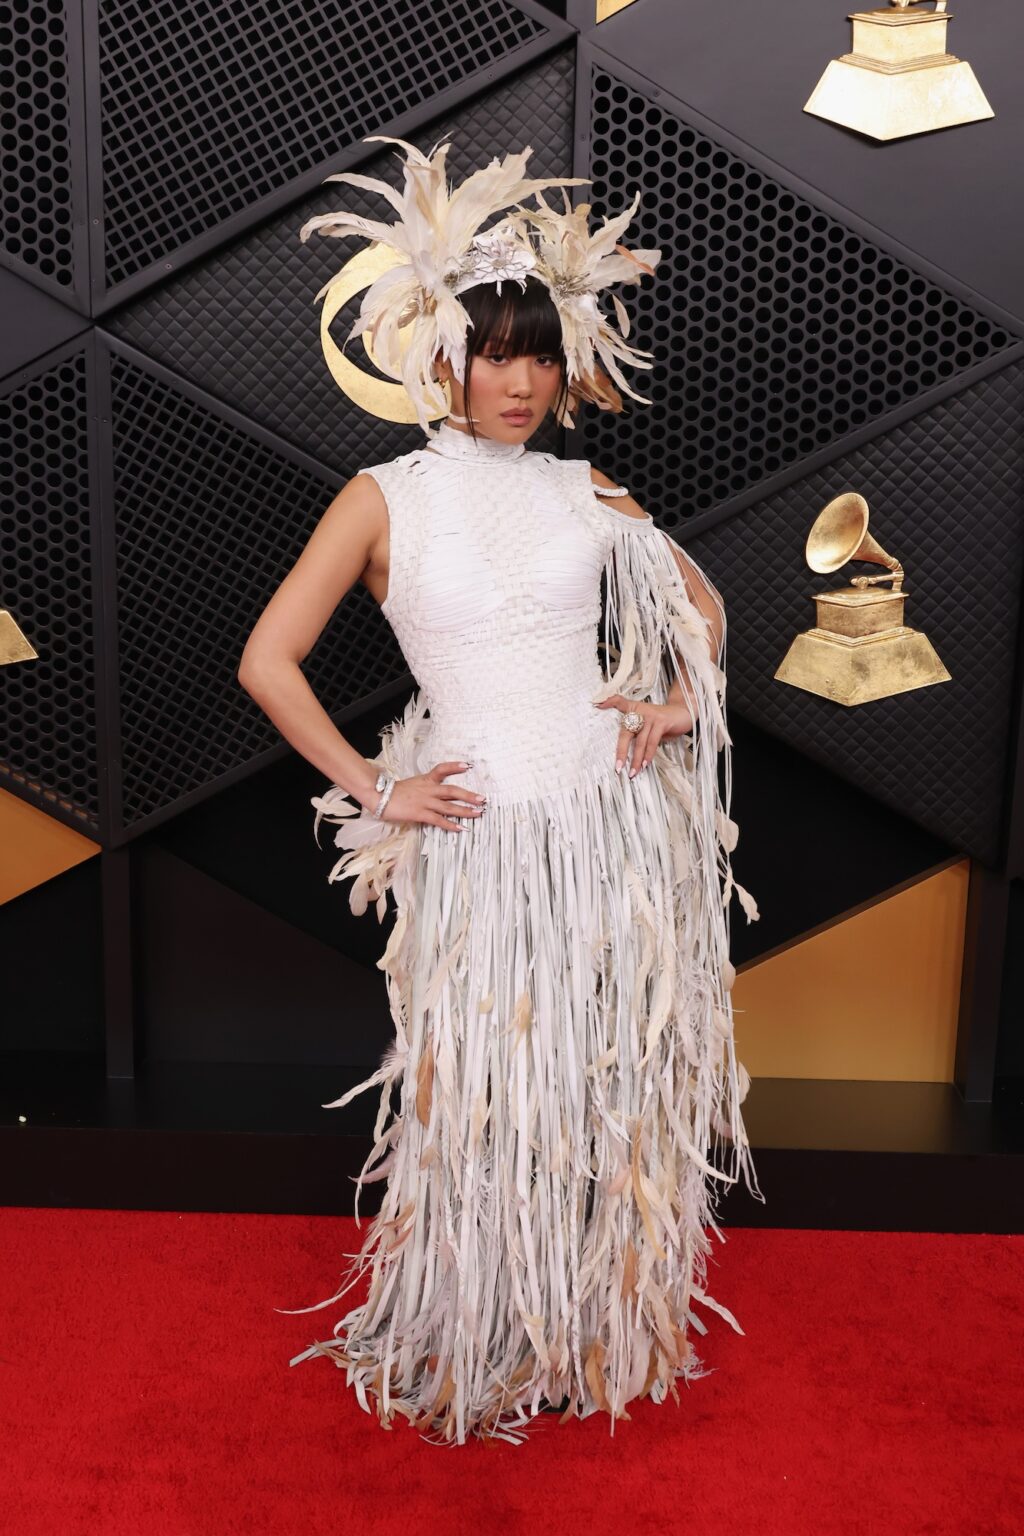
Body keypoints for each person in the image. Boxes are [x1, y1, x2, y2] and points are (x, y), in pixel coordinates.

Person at [238, 135, 763, 1446]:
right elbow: (267, 659)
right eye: (494, 352)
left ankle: (593, 1325)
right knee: (490, 1097)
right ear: (439, 357)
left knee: (601, 1087)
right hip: (485, 851)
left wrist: (674, 703)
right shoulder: (382, 500)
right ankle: (485, 1324)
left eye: (539, 354)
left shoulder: (586, 486)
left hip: (609, 834)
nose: (520, 381)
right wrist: (375, 787)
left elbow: (699, 608)